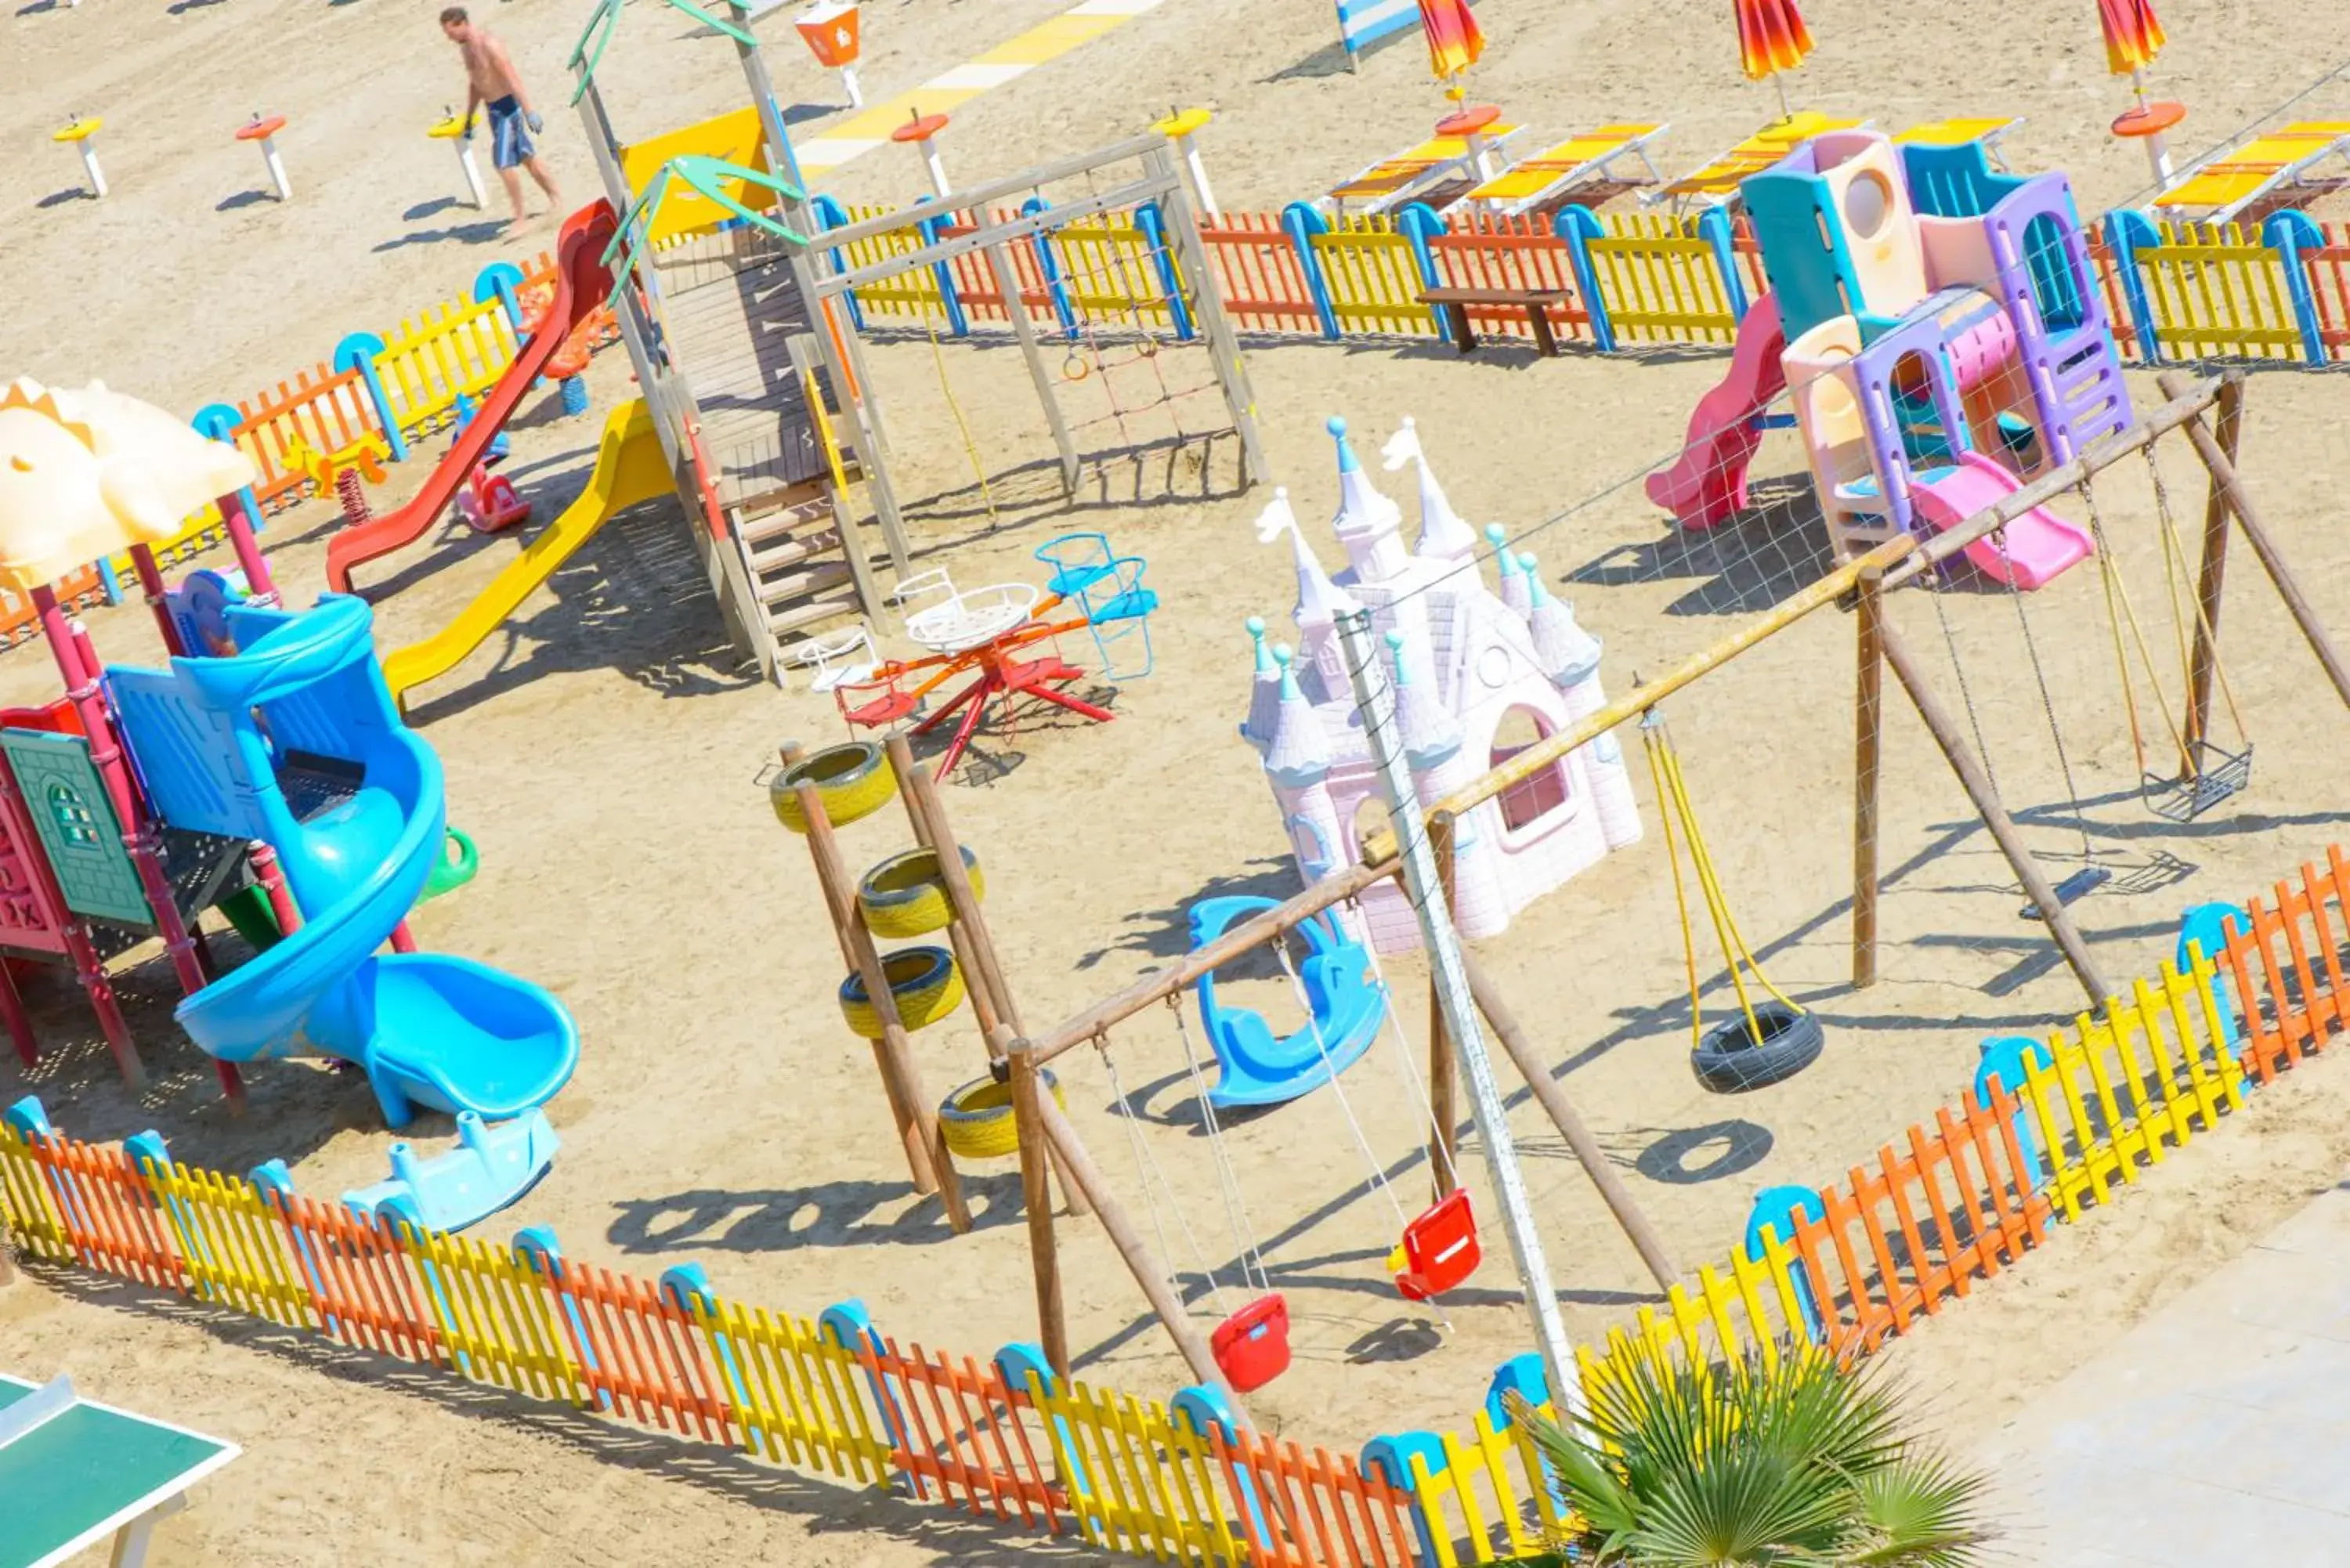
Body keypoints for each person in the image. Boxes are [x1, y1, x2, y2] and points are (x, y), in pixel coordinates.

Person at [440, 6, 562, 240]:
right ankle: (556, 199)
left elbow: (511, 77)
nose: (450, 38)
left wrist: (529, 111)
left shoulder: (489, 44)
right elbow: (476, 84)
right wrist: (468, 117)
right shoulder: (466, 49)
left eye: (451, 33)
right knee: (528, 159)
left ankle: (520, 219)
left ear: (462, 23)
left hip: (508, 109)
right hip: (494, 111)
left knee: (502, 163)